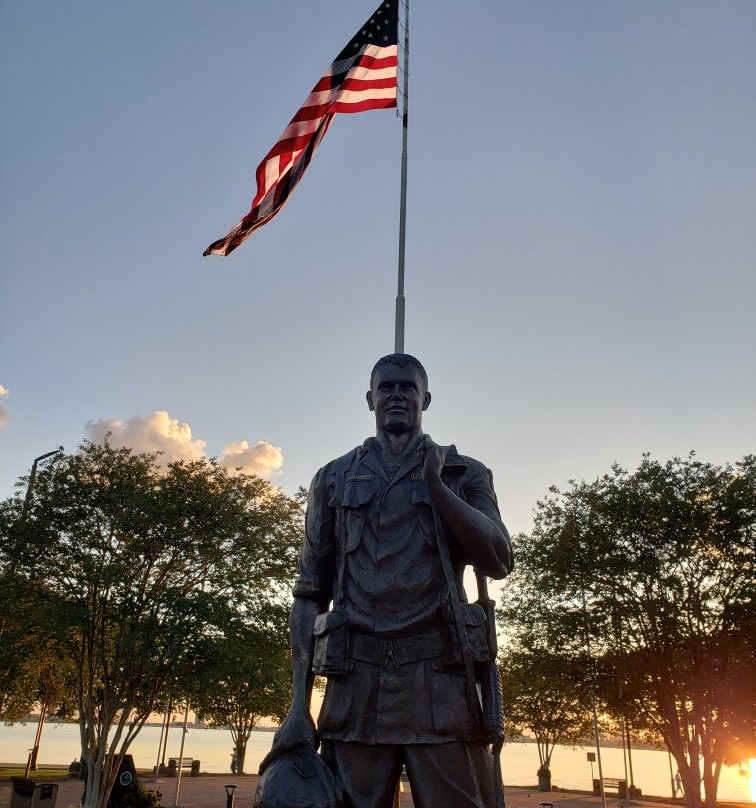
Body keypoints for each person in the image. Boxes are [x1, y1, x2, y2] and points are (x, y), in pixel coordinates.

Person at [263, 353, 513, 808]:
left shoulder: (464, 473)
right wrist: (298, 704)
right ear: (370, 398)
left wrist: (437, 487)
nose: (397, 395)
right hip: (355, 690)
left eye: (408, 388)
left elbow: (498, 558)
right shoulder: (333, 478)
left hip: (442, 688)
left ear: (426, 399)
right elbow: (309, 593)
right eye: (387, 388)